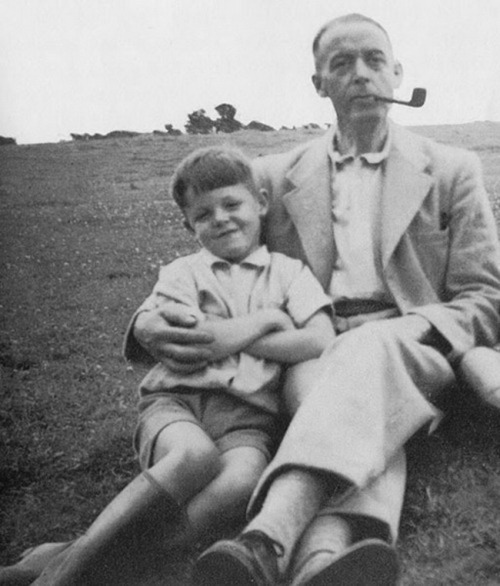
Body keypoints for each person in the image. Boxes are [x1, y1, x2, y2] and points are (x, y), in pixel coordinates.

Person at [131, 13, 500, 586]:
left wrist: (410, 331)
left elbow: (485, 298)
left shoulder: (453, 169)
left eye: (375, 60)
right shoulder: (272, 177)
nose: (361, 74)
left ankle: (266, 536)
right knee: (354, 395)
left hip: (417, 346)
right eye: (342, 64)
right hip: (313, 347)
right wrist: (148, 324)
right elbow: (212, 261)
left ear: (398, 74)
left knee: (371, 354)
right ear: (318, 84)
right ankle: (323, 557)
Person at [4, 146, 334, 586]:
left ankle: (74, 553)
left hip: (248, 420)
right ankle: (64, 575)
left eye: (232, 204)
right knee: (192, 456)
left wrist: (232, 332)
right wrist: (269, 320)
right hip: (178, 401)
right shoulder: (182, 273)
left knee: (244, 479)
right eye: (203, 214)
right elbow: (198, 343)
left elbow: (318, 339)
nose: (220, 218)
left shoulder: (289, 272)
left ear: (261, 203)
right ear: (188, 225)